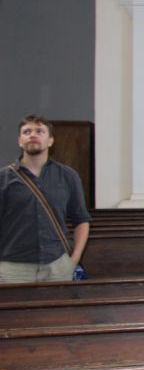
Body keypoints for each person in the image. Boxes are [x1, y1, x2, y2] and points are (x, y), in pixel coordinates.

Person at [0, 116, 91, 283]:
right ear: (20, 141)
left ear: (50, 141)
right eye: (27, 132)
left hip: (57, 265)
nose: (33, 135)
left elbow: (81, 220)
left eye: (40, 131)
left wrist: (74, 259)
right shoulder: (3, 178)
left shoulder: (68, 176)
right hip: (12, 267)